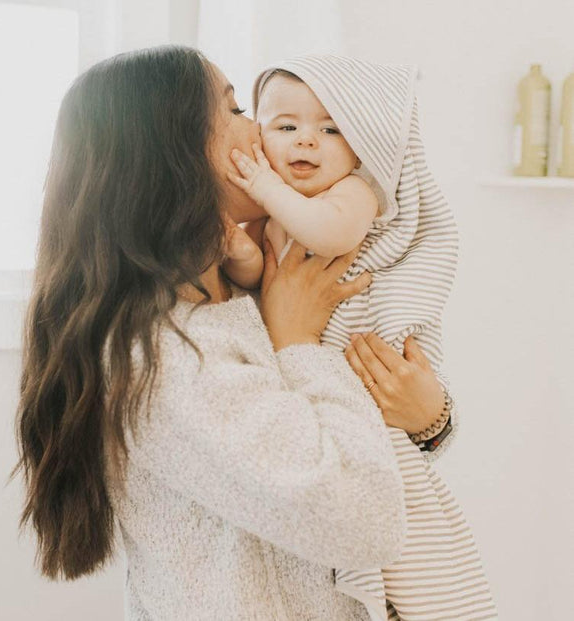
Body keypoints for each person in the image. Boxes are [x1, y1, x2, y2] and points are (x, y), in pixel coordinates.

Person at [12, 46, 460, 621]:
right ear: (175, 155)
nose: (263, 130)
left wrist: (431, 421)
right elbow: (365, 523)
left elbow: (362, 441)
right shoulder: (162, 359)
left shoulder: (255, 287)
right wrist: (296, 341)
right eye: (235, 110)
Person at [223, 56, 498, 620]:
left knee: (410, 534)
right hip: (317, 418)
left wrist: (266, 189)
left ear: (364, 147)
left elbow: (330, 235)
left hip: (359, 373)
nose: (307, 141)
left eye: (332, 129)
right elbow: (262, 281)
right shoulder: (269, 210)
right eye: (285, 126)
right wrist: (244, 254)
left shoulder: (354, 192)